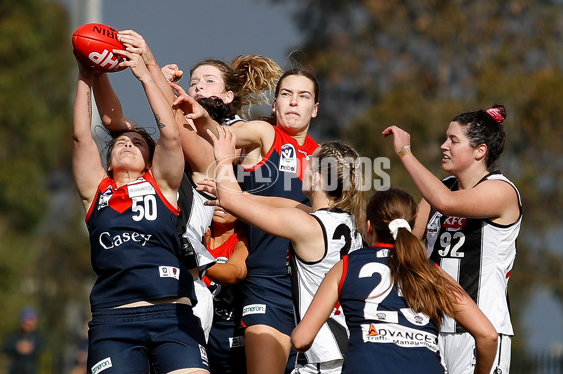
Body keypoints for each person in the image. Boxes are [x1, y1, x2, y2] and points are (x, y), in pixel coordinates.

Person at [94, 30, 281, 342]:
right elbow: (115, 123)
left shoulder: (231, 135)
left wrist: (151, 71)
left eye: (208, 81)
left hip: (192, 282)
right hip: (151, 275)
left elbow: (181, 134)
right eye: (194, 81)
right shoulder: (173, 141)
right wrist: (97, 70)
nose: (196, 86)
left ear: (227, 96)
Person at [72, 38, 209, 373]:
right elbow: (81, 136)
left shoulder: (161, 185)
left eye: (136, 142)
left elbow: (171, 136)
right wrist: (85, 75)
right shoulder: (96, 191)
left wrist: (146, 76)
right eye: (120, 142)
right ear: (106, 164)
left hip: (172, 315)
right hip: (113, 320)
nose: (128, 144)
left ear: (151, 161)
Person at [176, 69, 321, 374]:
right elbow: (219, 134)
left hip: (312, 286)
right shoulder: (265, 134)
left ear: (315, 109)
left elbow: (331, 216)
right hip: (267, 283)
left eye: (303, 96)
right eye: (286, 94)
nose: (294, 103)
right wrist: (201, 117)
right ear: (275, 105)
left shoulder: (323, 157)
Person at [203, 126, 364, 374]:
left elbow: (230, 201)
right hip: (344, 345)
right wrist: (239, 194)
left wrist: (224, 159)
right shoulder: (345, 221)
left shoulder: (308, 225)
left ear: (319, 178)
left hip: (321, 354)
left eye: (309, 165)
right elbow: (284, 204)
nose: (303, 169)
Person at [291, 188, 499, 374]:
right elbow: (488, 336)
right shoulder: (432, 271)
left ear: (369, 226)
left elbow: (301, 339)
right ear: (412, 225)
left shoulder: (346, 266)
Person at [382, 104, 521, 374]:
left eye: (453, 140)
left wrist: (405, 153)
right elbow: (409, 239)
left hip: (480, 328)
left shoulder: (501, 191)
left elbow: (446, 203)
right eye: (446, 138)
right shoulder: (442, 188)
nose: (444, 145)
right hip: (432, 325)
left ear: (480, 151)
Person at [201, 207, 249, 374]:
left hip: (231, 335)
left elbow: (232, 274)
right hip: (199, 330)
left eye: (226, 201)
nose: (219, 205)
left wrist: (196, 257)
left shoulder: (243, 239)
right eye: (215, 199)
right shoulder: (197, 234)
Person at [2, 307, 44, 374]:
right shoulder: (14, 336)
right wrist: (17, 347)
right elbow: (5, 348)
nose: (28, 323)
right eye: (25, 321)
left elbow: (40, 346)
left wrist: (31, 347)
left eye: (32, 320)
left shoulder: (38, 337)